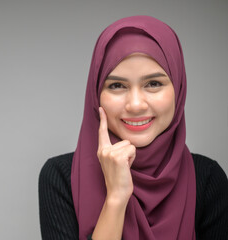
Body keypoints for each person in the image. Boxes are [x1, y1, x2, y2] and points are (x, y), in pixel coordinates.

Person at [38, 16, 228, 240]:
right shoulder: (61, 176)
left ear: (178, 88)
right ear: (96, 93)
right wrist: (116, 198)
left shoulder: (207, 179)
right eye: (117, 85)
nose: (136, 105)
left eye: (154, 83)